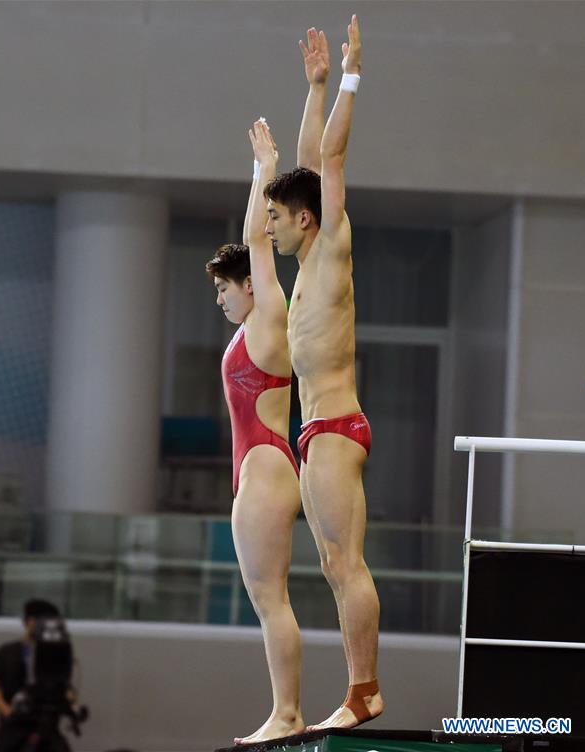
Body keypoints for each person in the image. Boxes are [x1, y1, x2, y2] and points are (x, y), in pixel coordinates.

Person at [262, 16, 383, 729]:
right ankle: (357, 689)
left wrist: (350, 78)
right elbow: (310, 161)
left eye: (277, 218)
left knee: (347, 563)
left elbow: (329, 159)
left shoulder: (331, 242)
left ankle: (364, 691)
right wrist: (313, 87)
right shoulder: (309, 259)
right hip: (314, 432)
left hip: (336, 426)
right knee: (334, 568)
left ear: (306, 220)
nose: (269, 227)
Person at [206, 120, 304, 743]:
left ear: (251, 284)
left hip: (266, 465)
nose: (220, 298)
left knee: (272, 601)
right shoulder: (250, 329)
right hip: (259, 467)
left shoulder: (270, 315)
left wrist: (263, 170)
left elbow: (253, 240)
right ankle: (284, 710)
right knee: (268, 601)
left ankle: (287, 713)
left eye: (225, 287)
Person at [0, 599, 80, 752]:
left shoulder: (54, 654)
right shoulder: (8, 651)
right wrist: (8, 712)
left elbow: (65, 687)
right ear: (29, 622)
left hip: (48, 730)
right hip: (14, 731)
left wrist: (73, 706)